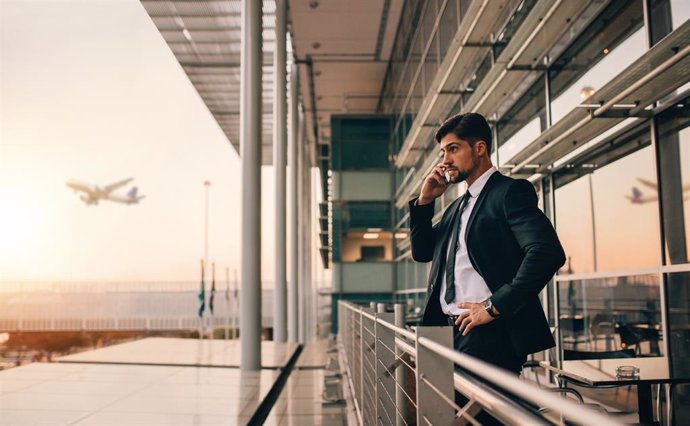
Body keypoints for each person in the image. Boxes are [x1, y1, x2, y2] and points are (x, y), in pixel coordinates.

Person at [409, 112, 565, 377]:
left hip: (488, 336)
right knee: (454, 415)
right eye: (444, 152)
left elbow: (546, 252)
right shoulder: (457, 207)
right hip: (449, 332)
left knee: (480, 417)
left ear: (479, 148)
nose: (446, 160)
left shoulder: (509, 192)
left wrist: (495, 306)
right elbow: (423, 252)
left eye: (453, 149)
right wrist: (425, 202)